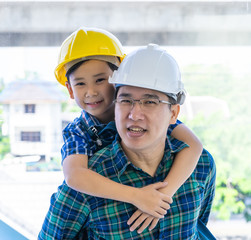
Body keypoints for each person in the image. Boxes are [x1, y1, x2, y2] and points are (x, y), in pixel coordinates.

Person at [38, 44, 216, 239]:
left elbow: (198, 228)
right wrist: (137, 196)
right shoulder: (84, 187)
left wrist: (162, 196)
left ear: (173, 113)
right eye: (126, 101)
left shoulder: (200, 166)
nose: (135, 114)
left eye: (150, 102)